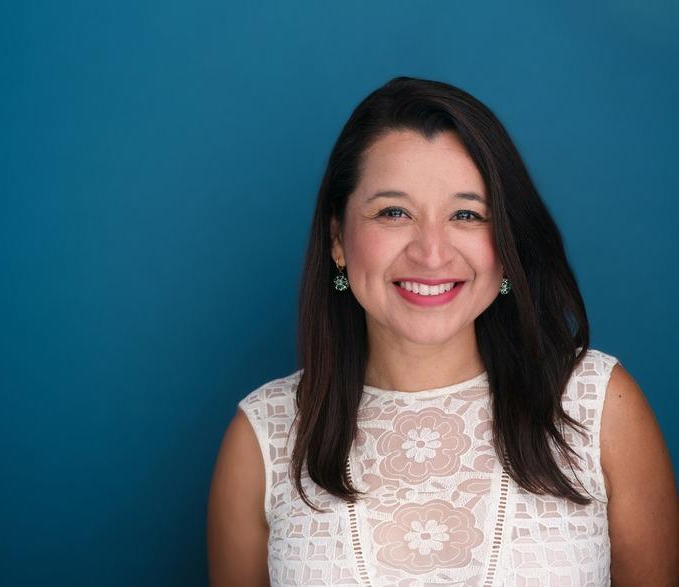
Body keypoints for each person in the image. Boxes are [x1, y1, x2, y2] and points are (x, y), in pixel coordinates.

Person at [207, 77, 678, 586]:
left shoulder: (597, 406)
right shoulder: (264, 437)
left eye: (466, 214)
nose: (431, 253)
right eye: (394, 212)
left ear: (507, 244)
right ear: (338, 238)